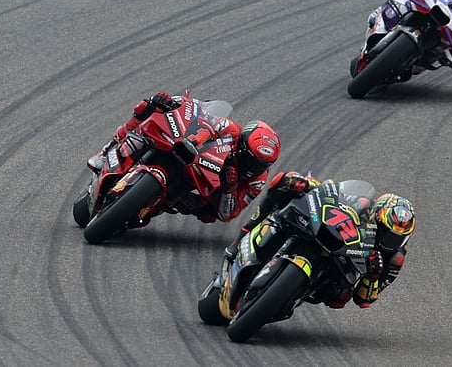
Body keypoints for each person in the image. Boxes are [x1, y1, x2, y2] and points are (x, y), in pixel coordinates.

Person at [224, 171, 416, 309]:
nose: (389, 240)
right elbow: (332, 193)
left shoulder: (394, 259)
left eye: (395, 237)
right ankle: (244, 236)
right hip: (327, 234)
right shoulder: (363, 204)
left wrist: (372, 277)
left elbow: (364, 300)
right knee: (285, 181)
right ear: (376, 216)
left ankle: (294, 293)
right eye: (386, 232)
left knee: (340, 297)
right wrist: (308, 184)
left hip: (339, 269)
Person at [87, 90, 280, 223]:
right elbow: (204, 119)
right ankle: (106, 152)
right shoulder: (231, 129)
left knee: (206, 213)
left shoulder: (257, 182)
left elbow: (228, 214)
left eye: (260, 165)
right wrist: (173, 105)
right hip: (194, 154)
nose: (253, 168)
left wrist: (229, 190)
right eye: (250, 159)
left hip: (201, 189)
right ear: (242, 146)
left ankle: (148, 204)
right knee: (148, 107)